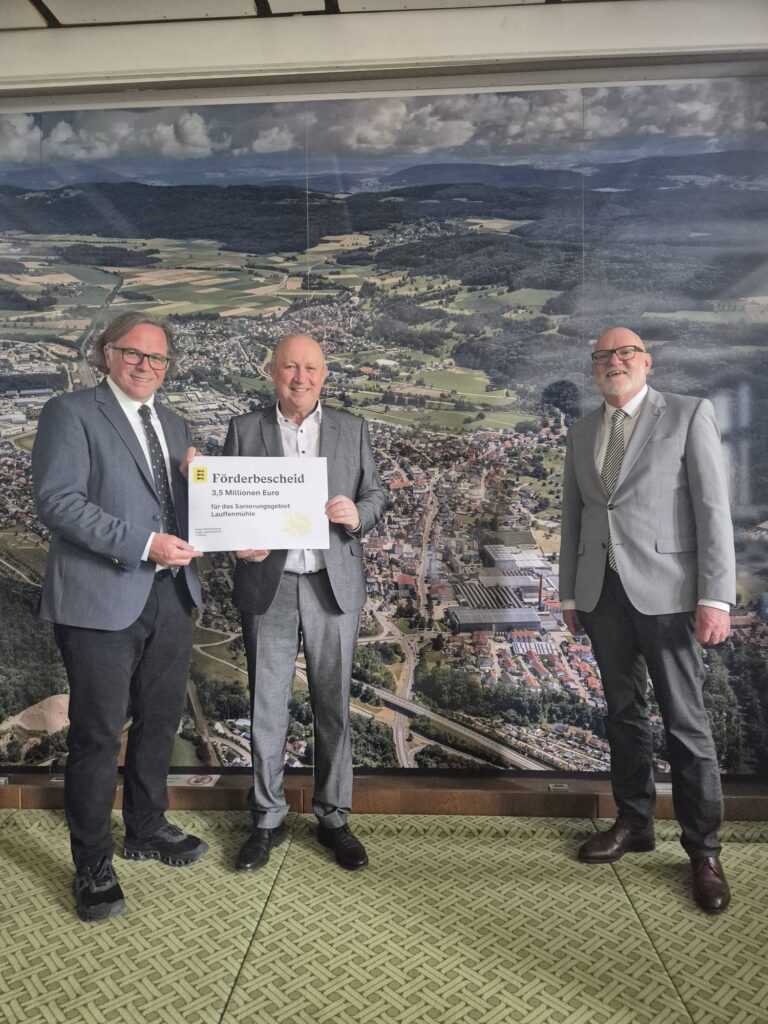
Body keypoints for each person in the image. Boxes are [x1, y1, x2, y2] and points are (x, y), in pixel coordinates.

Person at [32, 312, 207, 923]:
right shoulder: (70, 413)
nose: (145, 365)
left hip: (170, 593)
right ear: (106, 355)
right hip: (101, 596)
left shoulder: (174, 422)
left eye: (157, 359)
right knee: (98, 734)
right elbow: (57, 501)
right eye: (133, 353)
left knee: (159, 721)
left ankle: (147, 825)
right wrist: (144, 543)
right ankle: (91, 863)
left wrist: (232, 524)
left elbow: (183, 507)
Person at [559, 326, 735, 914]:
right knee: (622, 716)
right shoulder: (582, 430)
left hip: (669, 595)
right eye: (604, 356)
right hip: (600, 595)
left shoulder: (688, 415)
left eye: (625, 352)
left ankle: (703, 852)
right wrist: (568, 595)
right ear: (594, 369)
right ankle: (634, 822)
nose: (615, 362)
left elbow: (712, 510)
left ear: (646, 362)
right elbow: (576, 518)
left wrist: (716, 596)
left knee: (686, 725)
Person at [223, 333, 386, 872]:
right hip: (269, 588)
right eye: (290, 367)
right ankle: (266, 818)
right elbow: (225, 507)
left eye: (311, 368)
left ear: (325, 373)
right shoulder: (245, 429)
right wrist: (237, 539)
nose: (301, 377)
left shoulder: (351, 428)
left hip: (330, 584)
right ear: (273, 372)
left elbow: (376, 495)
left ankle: (333, 816)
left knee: (333, 705)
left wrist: (356, 515)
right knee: (266, 708)